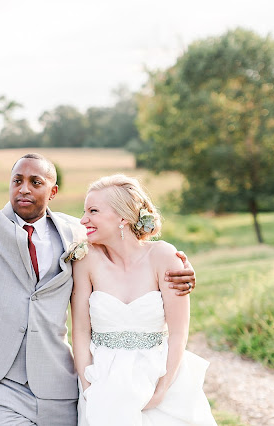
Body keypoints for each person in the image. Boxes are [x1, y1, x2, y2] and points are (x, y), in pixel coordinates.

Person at [0, 84, 198, 425]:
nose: (24, 188)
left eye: (35, 182)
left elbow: (131, 245)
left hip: (58, 384)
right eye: (17, 180)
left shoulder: (76, 234)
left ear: (52, 191)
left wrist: (180, 269)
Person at [71, 175, 216, 425]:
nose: (83, 220)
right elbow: (81, 333)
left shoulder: (164, 256)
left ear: (123, 217)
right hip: (103, 380)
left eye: (93, 211)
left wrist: (161, 390)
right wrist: (88, 389)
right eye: (85, 211)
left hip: (160, 375)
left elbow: (179, 333)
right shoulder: (85, 260)